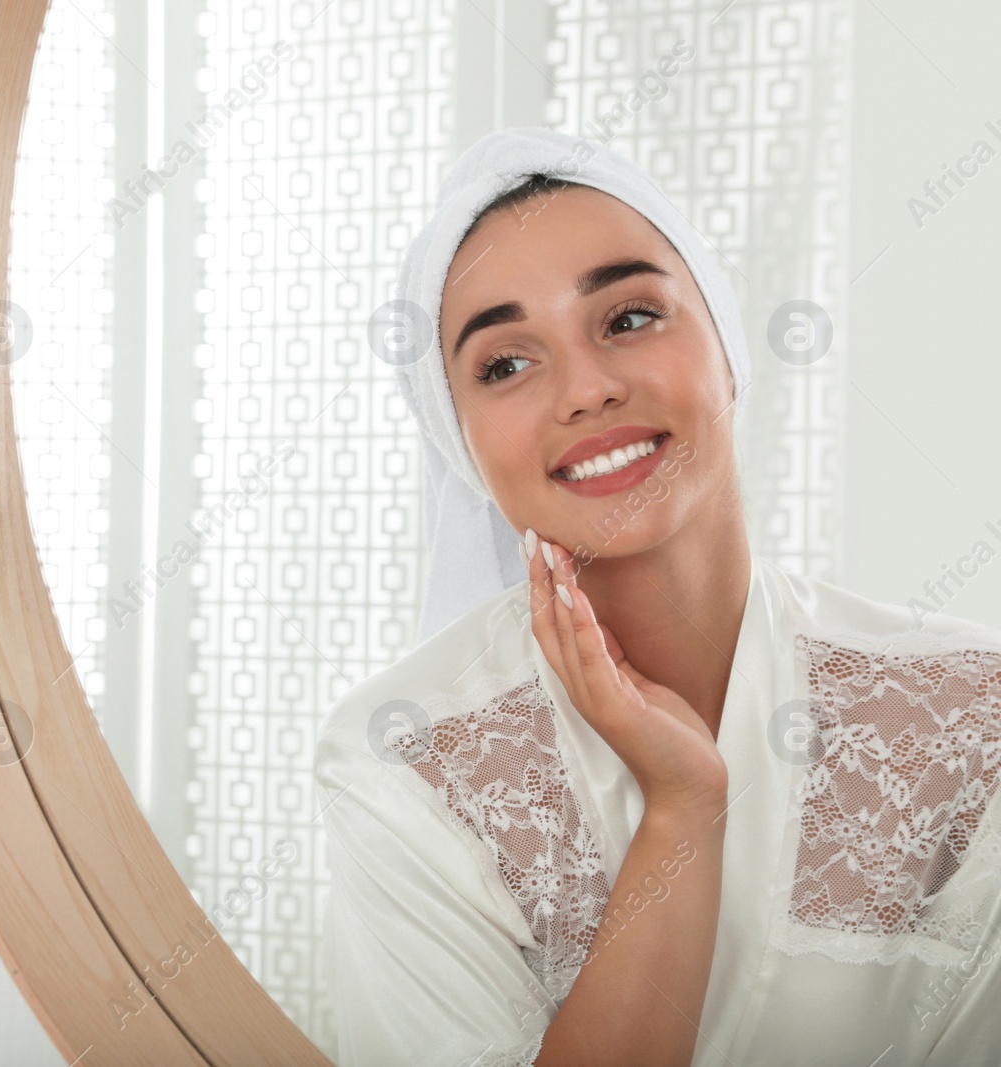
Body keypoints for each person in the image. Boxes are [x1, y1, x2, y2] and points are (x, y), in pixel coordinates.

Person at [316, 127, 1001, 1066]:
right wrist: (683, 806)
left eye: (629, 317)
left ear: (727, 345)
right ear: (459, 444)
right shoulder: (403, 757)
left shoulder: (972, 710)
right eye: (505, 364)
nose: (589, 389)